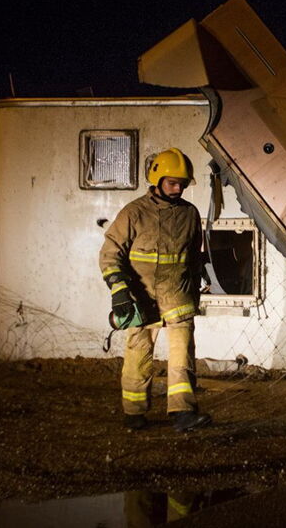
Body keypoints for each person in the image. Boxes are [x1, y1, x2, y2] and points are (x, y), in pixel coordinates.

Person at [99, 148, 211, 432]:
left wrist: (196, 289)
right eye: (173, 182)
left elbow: (195, 257)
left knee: (182, 357)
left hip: (178, 298)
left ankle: (183, 412)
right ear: (157, 179)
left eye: (182, 184)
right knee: (138, 354)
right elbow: (111, 254)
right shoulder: (134, 212)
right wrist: (120, 291)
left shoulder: (190, 214)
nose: (178, 188)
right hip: (142, 299)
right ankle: (134, 412)